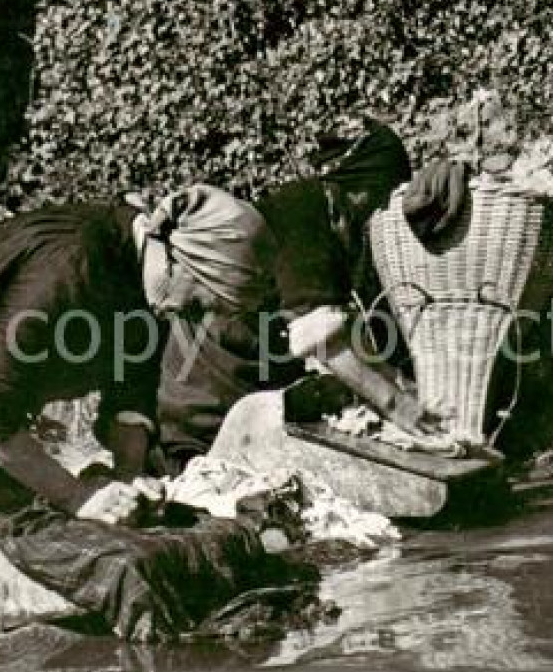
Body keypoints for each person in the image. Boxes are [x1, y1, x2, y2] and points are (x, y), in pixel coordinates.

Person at [0, 186, 276, 522]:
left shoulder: (150, 283)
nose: (195, 319)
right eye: (199, 304)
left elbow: (131, 390)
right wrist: (78, 497)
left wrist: (129, 475)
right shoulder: (72, 265)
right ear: (178, 261)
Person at [158, 120, 442, 464]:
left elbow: (345, 331)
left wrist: (402, 387)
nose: (383, 214)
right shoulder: (303, 216)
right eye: (383, 199)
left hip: (239, 389)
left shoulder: (332, 222)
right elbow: (316, 334)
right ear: (362, 191)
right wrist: (398, 406)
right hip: (213, 410)